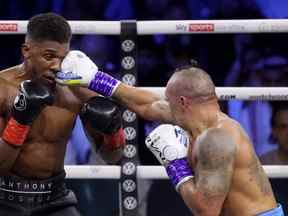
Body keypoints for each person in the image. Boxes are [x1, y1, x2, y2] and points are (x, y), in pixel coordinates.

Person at [56, 54, 283, 215]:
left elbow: (206, 211)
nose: (165, 104)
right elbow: (147, 104)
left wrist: (175, 163)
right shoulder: (195, 117)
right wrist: (95, 79)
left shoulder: (217, 139)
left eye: (169, 99)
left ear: (183, 102)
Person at [0, 13, 125, 216]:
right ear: (26, 51)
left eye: (63, 57)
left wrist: (113, 132)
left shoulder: (76, 91)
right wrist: (20, 120)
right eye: (49, 57)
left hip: (55, 199)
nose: (57, 66)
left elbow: (113, 157)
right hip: (4, 197)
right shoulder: (3, 89)